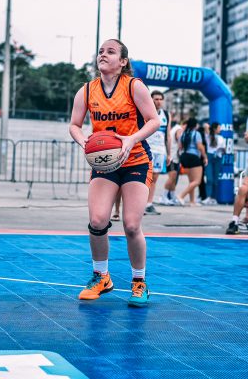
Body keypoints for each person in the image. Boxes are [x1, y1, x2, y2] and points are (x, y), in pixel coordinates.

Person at [69, 38, 159, 307]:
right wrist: (84, 141)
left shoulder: (134, 86)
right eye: (100, 51)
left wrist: (132, 139)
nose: (103, 55)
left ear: (123, 62)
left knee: (131, 225)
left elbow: (154, 120)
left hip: (135, 161)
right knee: (97, 221)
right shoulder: (86, 91)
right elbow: (74, 125)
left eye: (110, 51)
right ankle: (101, 277)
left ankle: (139, 282)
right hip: (105, 163)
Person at [143, 90, 170, 215]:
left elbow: (168, 136)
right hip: (147, 149)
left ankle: (149, 204)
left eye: (160, 99)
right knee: (144, 177)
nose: (158, 101)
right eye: (156, 99)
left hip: (160, 150)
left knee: (154, 178)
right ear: (151, 100)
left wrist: (169, 154)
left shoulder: (166, 115)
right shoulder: (145, 112)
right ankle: (140, 203)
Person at [176, 117, 208, 206]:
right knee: (197, 181)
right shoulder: (196, 134)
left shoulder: (183, 134)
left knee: (192, 181)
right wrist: (205, 157)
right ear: (195, 125)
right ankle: (181, 196)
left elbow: (180, 147)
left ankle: (192, 201)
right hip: (194, 157)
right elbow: (200, 147)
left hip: (184, 157)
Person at [160, 117, 184, 205]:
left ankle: (173, 196)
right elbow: (180, 140)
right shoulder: (179, 129)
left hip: (174, 157)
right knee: (172, 177)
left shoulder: (174, 129)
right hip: (173, 157)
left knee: (174, 178)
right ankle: (163, 196)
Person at [202, 122, 225, 205]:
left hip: (218, 157)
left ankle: (213, 198)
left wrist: (222, 149)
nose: (220, 129)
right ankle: (208, 196)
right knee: (209, 178)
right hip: (210, 157)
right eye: (218, 128)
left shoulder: (221, 138)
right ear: (215, 129)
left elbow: (224, 149)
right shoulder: (209, 136)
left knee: (215, 179)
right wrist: (211, 128)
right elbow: (205, 125)